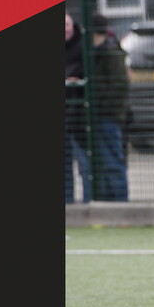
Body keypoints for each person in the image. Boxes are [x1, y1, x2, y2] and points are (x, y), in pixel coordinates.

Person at [87, 13, 130, 201]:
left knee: (112, 162)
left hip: (108, 116)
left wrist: (98, 103)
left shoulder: (110, 52)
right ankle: (106, 202)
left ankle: (119, 204)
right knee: (102, 164)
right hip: (100, 115)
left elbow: (118, 86)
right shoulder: (97, 51)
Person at [65, 12, 90, 203]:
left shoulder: (83, 45)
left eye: (67, 24)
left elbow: (87, 72)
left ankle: (89, 201)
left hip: (80, 116)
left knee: (85, 163)